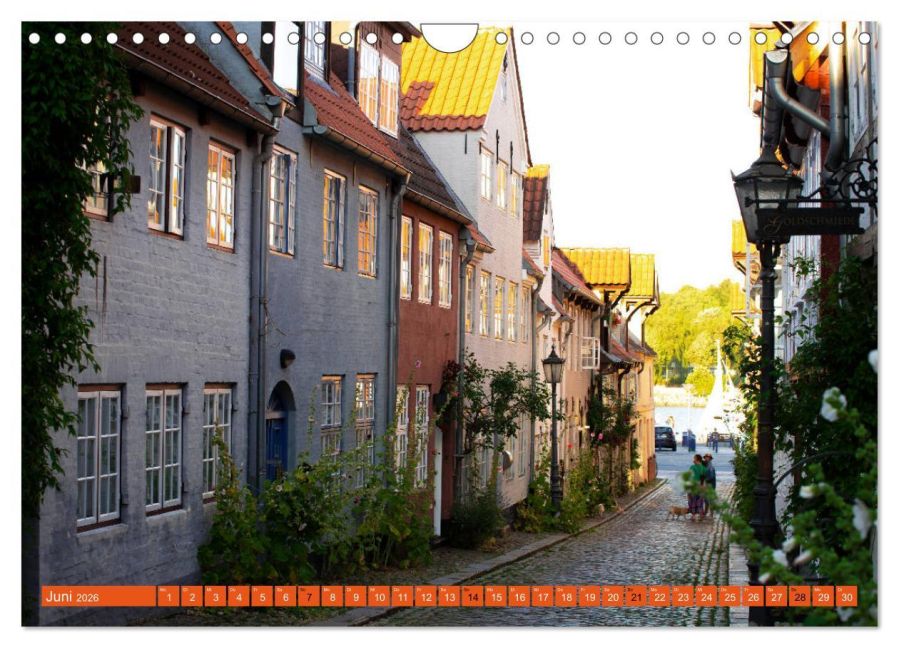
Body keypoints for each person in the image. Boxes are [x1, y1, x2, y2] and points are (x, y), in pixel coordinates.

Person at [687, 454, 707, 520]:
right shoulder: (704, 468)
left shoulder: (692, 467)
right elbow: (704, 479)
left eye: (694, 459)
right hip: (701, 486)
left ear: (697, 459)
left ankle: (693, 515)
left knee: (692, 500)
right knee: (700, 501)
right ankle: (701, 514)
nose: (693, 460)